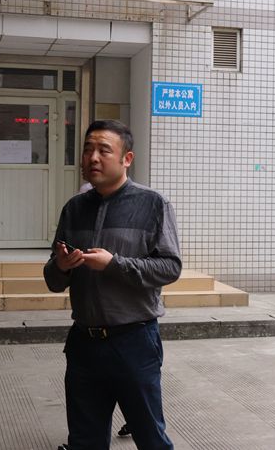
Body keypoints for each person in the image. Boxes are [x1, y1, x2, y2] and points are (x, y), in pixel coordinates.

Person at [44, 119, 182, 449]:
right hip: (83, 343)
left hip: (134, 341)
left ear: (126, 158)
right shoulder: (74, 209)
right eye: (87, 149)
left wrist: (114, 264)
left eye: (103, 150)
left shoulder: (153, 204)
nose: (93, 157)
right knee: (84, 440)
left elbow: (170, 267)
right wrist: (61, 266)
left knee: (150, 438)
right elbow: (52, 280)